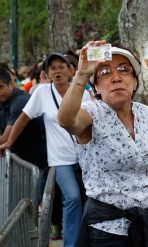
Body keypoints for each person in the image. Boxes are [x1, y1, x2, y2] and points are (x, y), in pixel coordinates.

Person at [57, 41, 148, 246]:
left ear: (134, 81)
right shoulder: (93, 113)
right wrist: (81, 75)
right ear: (96, 86)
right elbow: (66, 121)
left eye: (124, 70)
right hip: (108, 232)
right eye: (105, 72)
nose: (116, 77)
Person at [0, 53, 90, 247]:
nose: (57, 71)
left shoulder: (84, 92)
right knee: (72, 197)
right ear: (47, 73)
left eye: (61, 67)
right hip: (59, 160)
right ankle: (71, 244)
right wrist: (9, 143)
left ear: (71, 70)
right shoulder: (42, 92)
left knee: (88, 199)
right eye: (52, 68)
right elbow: (23, 118)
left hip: (85, 157)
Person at [0, 66, 47, 194]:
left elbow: (5, 139)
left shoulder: (20, 101)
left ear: (10, 84)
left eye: (1, 87)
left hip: (38, 167)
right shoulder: (4, 100)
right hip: (23, 165)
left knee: (30, 205)